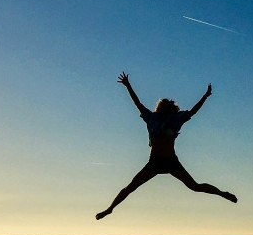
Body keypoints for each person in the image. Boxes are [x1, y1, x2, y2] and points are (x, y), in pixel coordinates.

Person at [96, 72, 237, 220]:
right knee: (131, 187)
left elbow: (194, 111)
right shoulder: (151, 117)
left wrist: (205, 96)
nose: (162, 105)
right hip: (154, 162)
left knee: (194, 186)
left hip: (170, 161)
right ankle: (109, 209)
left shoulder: (176, 119)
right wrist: (128, 85)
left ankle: (222, 193)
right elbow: (137, 102)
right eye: (161, 104)